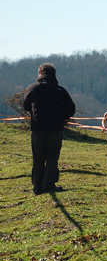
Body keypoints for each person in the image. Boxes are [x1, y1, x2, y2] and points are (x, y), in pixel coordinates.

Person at [23, 63, 76, 195]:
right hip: (55, 129)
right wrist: (62, 116)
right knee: (52, 158)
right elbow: (71, 108)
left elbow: (26, 106)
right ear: (54, 75)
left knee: (38, 158)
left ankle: (37, 187)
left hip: (37, 128)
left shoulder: (32, 88)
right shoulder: (60, 90)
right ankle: (48, 186)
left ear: (40, 73)